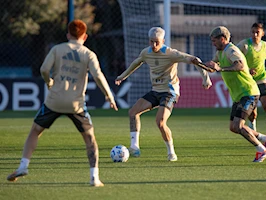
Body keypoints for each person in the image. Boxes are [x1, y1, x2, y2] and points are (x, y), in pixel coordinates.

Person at [6, 19, 118, 187]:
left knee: (35, 131)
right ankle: (94, 177)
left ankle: (23, 166)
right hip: (76, 104)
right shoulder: (88, 54)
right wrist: (109, 96)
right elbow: (98, 75)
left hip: (54, 101)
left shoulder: (57, 49)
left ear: (68, 34)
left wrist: (49, 81)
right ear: (85, 36)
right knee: (89, 139)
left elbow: (44, 69)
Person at [115, 27, 212, 162]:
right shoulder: (146, 53)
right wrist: (122, 76)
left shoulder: (171, 53)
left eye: (157, 42)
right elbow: (136, 63)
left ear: (163, 41)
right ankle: (134, 147)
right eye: (151, 42)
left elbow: (195, 59)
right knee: (133, 112)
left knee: (160, 122)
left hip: (170, 92)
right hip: (156, 91)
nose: (154, 45)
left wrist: (205, 78)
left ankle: (171, 152)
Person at [205, 26, 266, 162]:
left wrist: (220, 68)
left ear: (222, 39)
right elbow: (213, 65)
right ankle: (265, 138)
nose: (213, 44)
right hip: (239, 95)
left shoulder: (231, 50)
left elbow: (240, 65)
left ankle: (262, 150)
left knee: (239, 125)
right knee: (233, 127)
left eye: (214, 41)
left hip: (248, 92)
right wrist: (200, 64)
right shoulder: (220, 52)